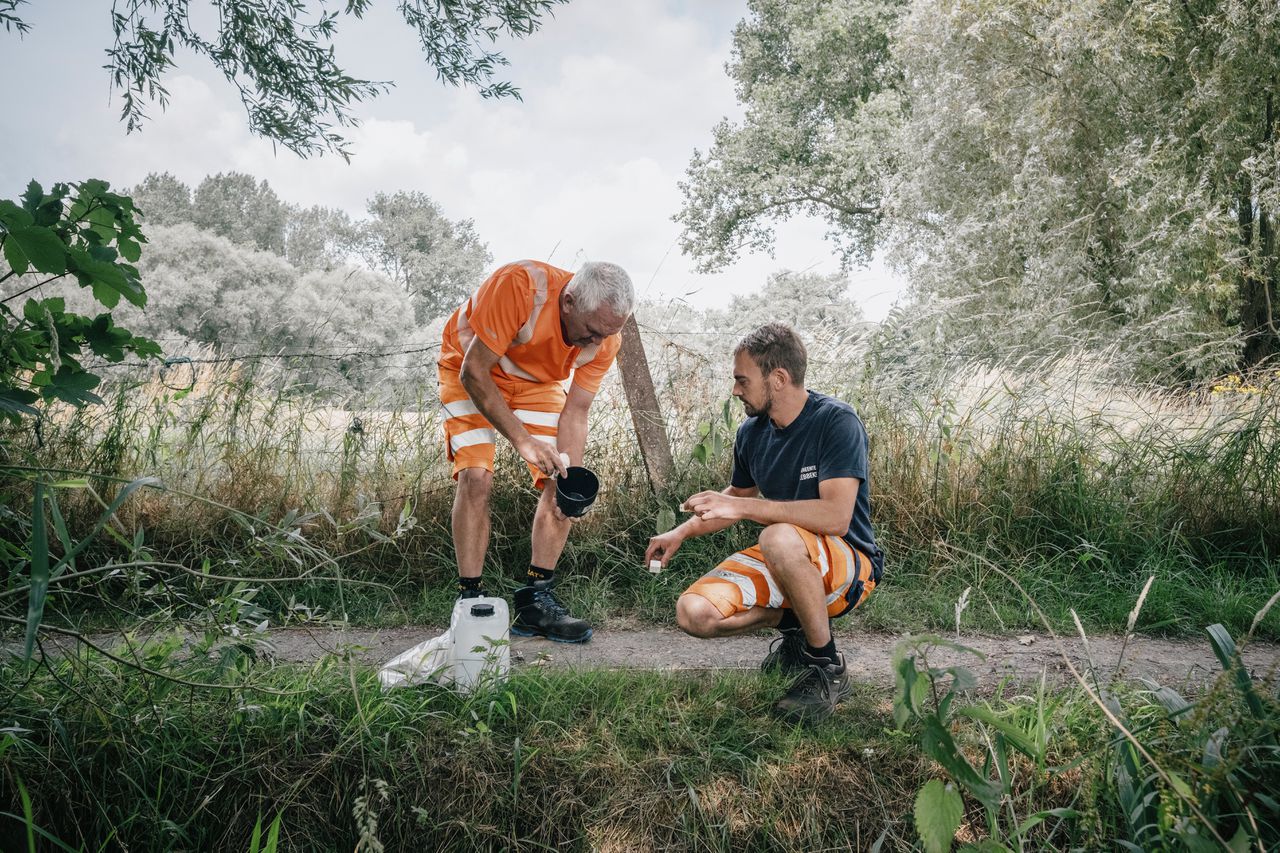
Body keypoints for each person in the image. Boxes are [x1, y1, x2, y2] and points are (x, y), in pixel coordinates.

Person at [645, 323, 884, 722]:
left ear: (778, 379)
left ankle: (826, 667)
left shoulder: (836, 422)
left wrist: (746, 509)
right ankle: (798, 630)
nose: (735, 390)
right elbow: (736, 499)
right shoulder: (752, 432)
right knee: (694, 613)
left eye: (742, 380)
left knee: (776, 537)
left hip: (850, 565)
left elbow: (836, 517)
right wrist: (681, 532)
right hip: (787, 555)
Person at [438, 259, 635, 642]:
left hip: (535, 383)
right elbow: (473, 372)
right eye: (592, 331)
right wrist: (522, 439)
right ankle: (469, 601)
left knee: (560, 480)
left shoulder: (606, 337)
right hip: (470, 367)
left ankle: (535, 600)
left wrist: (570, 484)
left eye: (606, 335)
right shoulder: (520, 286)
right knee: (476, 476)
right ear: (569, 302)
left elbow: (576, 412)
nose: (596, 343)